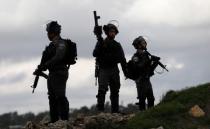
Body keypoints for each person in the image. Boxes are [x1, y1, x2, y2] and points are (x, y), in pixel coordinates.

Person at [34, 21, 69, 123]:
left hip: (60, 72)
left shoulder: (61, 43)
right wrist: (41, 69)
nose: (48, 35)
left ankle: (64, 120)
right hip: (53, 73)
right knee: (52, 97)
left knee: (60, 96)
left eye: (49, 32)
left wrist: (45, 65)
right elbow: (48, 60)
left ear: (54, 32)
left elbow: (58, 57)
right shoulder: (51, 45)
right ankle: (54, 120)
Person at [93, 23, 127, 113]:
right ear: (107, 32)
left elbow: (122, 59)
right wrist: (101, 44)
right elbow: (95, 53)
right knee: (102, 90)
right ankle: (100, 110)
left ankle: (115, 111)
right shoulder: (101, 42)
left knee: (115, 90)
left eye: (114, 32)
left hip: (114, 69)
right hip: (104, 69)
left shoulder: (117, 45)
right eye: (111, 31)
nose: (113, 33)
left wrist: (126, 72)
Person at [131, 36, 157, 111]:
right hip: (140, 81)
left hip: (147, 80)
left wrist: (155, 62)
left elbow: (149, 69)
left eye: (145, 42)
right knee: (142, 99)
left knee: (151, 99)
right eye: (143, 43)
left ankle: (150, 114)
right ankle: (142, 115)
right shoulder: (135, 57)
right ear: (138, 45)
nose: (145, 44)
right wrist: (148, 61)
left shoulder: (145, 55)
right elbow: (138, 67)